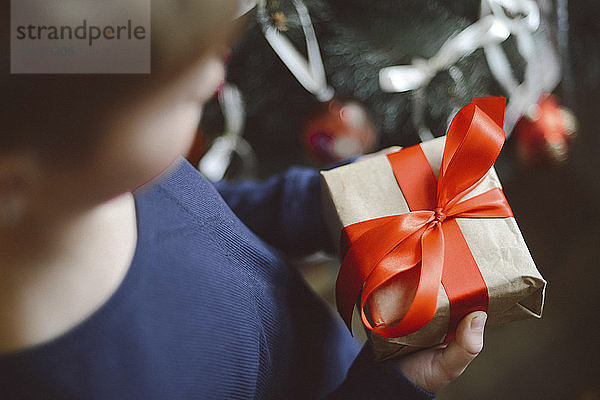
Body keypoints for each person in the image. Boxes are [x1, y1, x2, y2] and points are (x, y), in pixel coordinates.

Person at [0, 0, 487, 398]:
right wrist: (393, 386)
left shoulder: (85, 181)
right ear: (16, 176)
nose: (214, 80)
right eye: (177, 98)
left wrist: (321, 201)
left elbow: (202, 216)